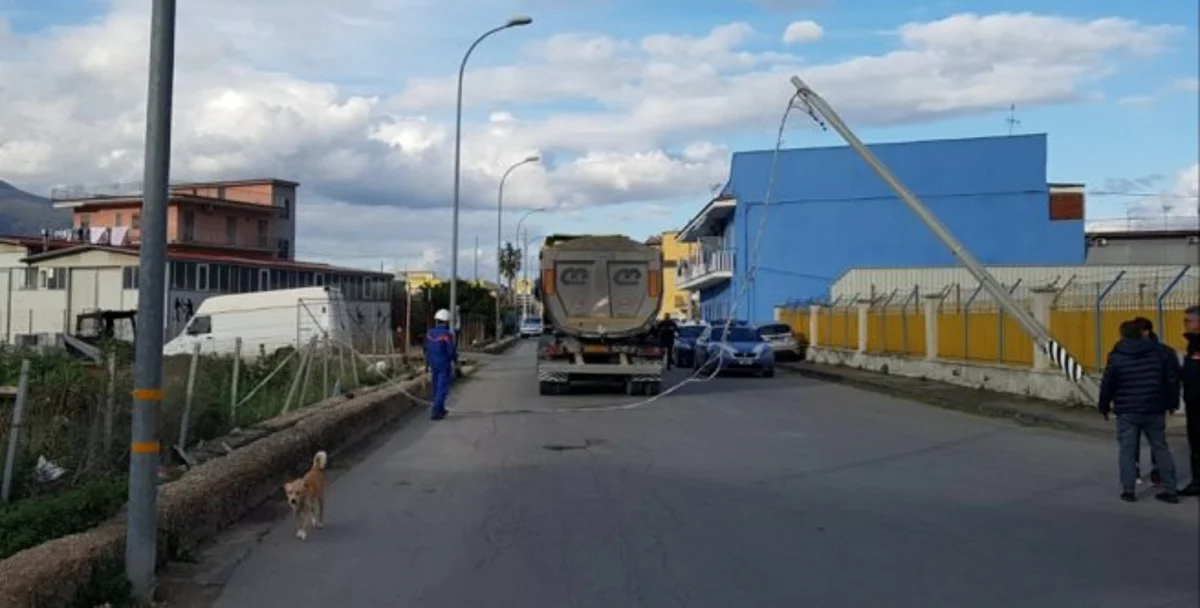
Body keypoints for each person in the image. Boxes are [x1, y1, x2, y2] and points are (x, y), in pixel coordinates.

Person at [1098, 320, 1180, 503]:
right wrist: (1172, 403)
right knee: (1160, 447)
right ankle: (1171, 489)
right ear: (1143, 333)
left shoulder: (1117, 355)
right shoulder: (1160, 352)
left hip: (1127, 410)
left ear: (1123, 335)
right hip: (1155, 408)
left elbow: (1108, 383)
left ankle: (1128, 490)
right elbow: (1171, 380)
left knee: (1127, 450)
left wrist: (1103, 405)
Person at [1129, 316, 1182, 487]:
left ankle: (1135, 472)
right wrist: (1173, 402)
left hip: (1133, 404)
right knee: (1157, 441)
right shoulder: (1165, 351)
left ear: (1144, 332)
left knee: (1133, 441)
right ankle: (1158, 472)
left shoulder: (1126, 350)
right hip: (1156, 403)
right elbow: (1173, 378)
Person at [1179, 305, 1200, 496]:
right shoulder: (1192, 344)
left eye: (1188, 320)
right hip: (1193, 402)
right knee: (1195, 443)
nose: (1185, 324)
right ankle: (1197, 481)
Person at [424, 309, 457, 421]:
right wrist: (455, 360)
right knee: (442, 388)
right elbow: (451, 351)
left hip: (432, 363)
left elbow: (426, 349)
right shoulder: (447, 334)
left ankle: (441, 409)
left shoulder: (429, 333)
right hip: (444, 364)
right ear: (446, 322)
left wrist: (426, 364)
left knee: (436, 386)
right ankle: (436, 411)